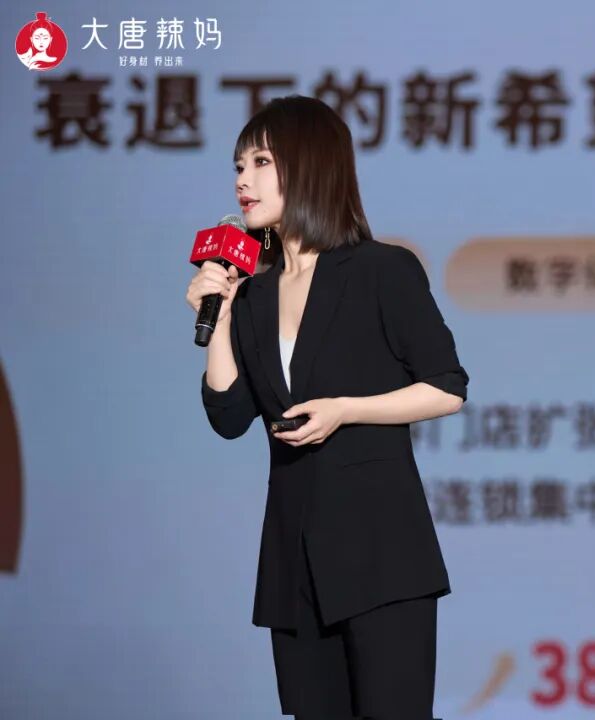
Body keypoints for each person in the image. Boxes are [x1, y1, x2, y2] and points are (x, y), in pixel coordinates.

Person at [185, 95, 468, 719]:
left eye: (261, 162)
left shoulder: (381, 270)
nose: (242, 180)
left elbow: (447, 387)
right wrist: (222, 315)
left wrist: (346, 409)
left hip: (381, 555)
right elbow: (229, 416)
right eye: (238, 165)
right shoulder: (254, 293)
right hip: (294, 562)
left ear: (310, 165)